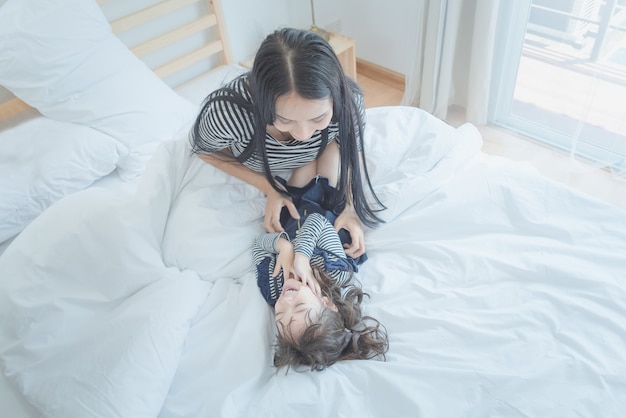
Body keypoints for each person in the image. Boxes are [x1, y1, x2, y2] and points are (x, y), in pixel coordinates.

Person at [189, 27, 385, 258]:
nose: (303, 134)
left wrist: (351, 207)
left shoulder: (348, 103)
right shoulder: (230, 114)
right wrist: (269, 186)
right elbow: (203, 149)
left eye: (318, 118)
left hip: (325, 151)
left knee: (329, 203)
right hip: (274, 164)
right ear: (261, 101)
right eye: (284, 120)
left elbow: (354, 149)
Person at [252, 210, 389, 371]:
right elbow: (317, 219)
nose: (286, 301)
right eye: (300, 305)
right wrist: (301, 257)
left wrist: (284, 247)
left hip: (284, 219)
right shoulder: (334, 271)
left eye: (280, 315)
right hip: (316, 207)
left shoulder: (273, 290)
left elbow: (258, 245)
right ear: (327, 303)